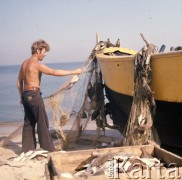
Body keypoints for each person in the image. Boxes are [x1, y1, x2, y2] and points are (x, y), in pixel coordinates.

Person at [17, 39, 82, 153]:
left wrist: (21, 96)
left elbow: (19, 81)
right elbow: (54, 72)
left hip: (26, 95)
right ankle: (48, 149)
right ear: (37, 50)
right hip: (34, 94)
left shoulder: (24, 63)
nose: (45, 54)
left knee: (29, 123)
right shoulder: (36, 64)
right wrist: (73, 71)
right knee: (42, 122)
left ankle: (27, 150)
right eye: (44, 51)